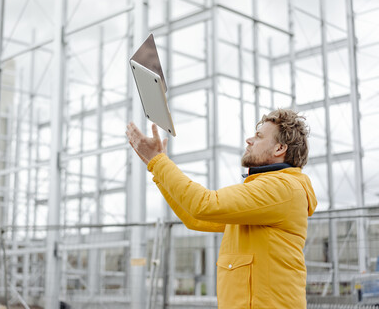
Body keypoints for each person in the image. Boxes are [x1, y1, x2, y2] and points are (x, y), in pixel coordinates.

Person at [126, 108, 317, 309]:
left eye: (259, 136)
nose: (249, 140)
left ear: (280, 148)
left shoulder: (282, 188)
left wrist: (158, 162)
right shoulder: (268, 194)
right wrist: (155, 167)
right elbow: (196, 218)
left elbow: (204, 205)